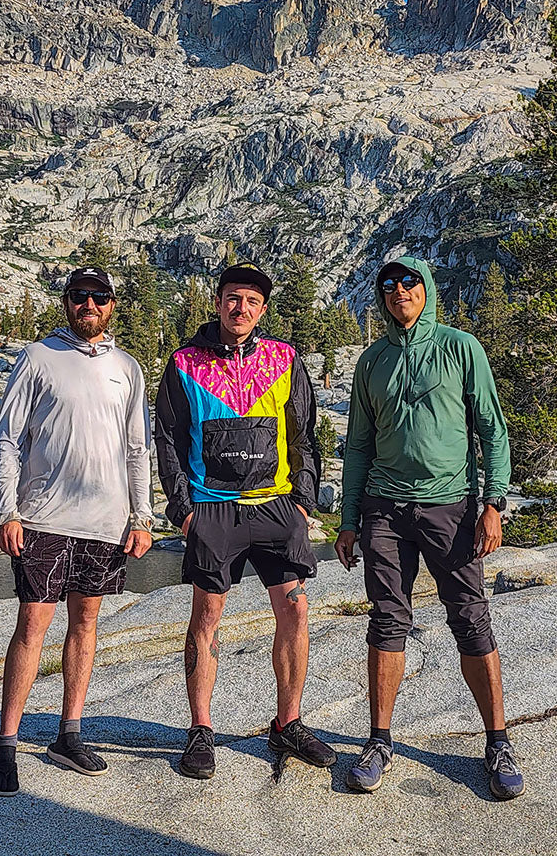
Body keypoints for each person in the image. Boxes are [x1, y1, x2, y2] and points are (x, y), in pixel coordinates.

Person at [335, 256, 523, 799]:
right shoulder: (372, 361)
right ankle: (379, 740)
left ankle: (498, 739)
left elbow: (492, 428)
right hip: (385, 509)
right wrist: (349, 520)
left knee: (470, 617)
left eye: (410, 282)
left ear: (427, 289)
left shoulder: (462, 348)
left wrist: (494, 503)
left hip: (451, 507)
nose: (400, 292)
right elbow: (359, 447)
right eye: (389, 285)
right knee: (387, 619)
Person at [155, 263, 335, 779]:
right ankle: (200, 729)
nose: (242, 309)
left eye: (252, 302)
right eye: (234, 299)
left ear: (262, 309)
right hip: (212, 510)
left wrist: (302, 503)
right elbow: (167, 439)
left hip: (277, 506)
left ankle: (289, 722)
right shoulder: (184, 362)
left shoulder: (285, 359)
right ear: (217, 303)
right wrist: (183, 512)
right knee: (207, 619)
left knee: (295, 614)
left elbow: (303, 433)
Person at [0, 266, 154, 796]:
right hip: (43, 518)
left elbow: (136, 447)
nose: (90, 305)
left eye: (99, 297)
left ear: (112, 305)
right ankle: (6, 743)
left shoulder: (128, 367)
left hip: (104, 524)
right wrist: (6, 511)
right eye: (80, 296)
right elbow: (8, 438)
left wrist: (142, 516)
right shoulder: (38, 357)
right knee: (32, 626)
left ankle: (69, 734)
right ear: (67, 303)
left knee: (86, 625)